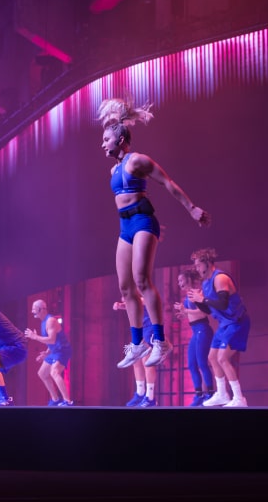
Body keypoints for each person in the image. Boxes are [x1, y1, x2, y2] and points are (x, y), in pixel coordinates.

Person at [97, 96, 209, 371]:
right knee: (125, 287)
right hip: (125, 228)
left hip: (143, 221)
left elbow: (168, 183)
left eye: (106, 140)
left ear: (120, 140)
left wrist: (192, 208)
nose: (103, 144)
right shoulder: (114, 169)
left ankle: (160, 341)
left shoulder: (138, 161)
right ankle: (138, 344)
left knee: (141, 279)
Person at [188, 248, 250, 407]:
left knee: (222, 358)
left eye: (198, 265)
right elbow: (210, 310)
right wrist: (199, 302)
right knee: (212, 357)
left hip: (237, 322)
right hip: (224, 324)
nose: (196, 269)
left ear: (207, 263)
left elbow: (222, 303)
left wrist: (203, 299)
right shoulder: (206, 282)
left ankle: (239, 398)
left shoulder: (220, 278)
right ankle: (222, 394)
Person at [173, 267, 215, 406]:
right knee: (191, 364)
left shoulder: (195, 293)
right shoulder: (187, 296)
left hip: (203, 330)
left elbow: (203, 313)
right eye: (178, 281)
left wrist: (186, 310)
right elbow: (192, 313)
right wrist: (184, 313)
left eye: (181, 280)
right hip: (195, 331)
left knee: (202, 362)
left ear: (188, 279)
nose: (179, 283)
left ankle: (209, 393)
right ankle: (199, 395)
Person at [25, 300, 74, 406]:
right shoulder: (43, 322)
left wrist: (35, 337)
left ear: (40, 309)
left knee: (54, 372)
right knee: (42, 373)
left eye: (34, 308)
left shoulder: (50, 321)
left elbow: (51, 340)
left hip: (62, 350)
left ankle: (68, 401)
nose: (32, 311)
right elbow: (52, 342)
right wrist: (46, 353)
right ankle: (55, 399)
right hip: (55, 351)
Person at [112, 299, 161, 407]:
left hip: (150, 327)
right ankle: (140, 393)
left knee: (147, 361)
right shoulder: (133, 300)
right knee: (136, 360)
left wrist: (124, 303)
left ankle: (150, 397)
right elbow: (133, 306)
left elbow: (143, 302)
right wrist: (122, 306)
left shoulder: (143, 295)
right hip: (140, 329)